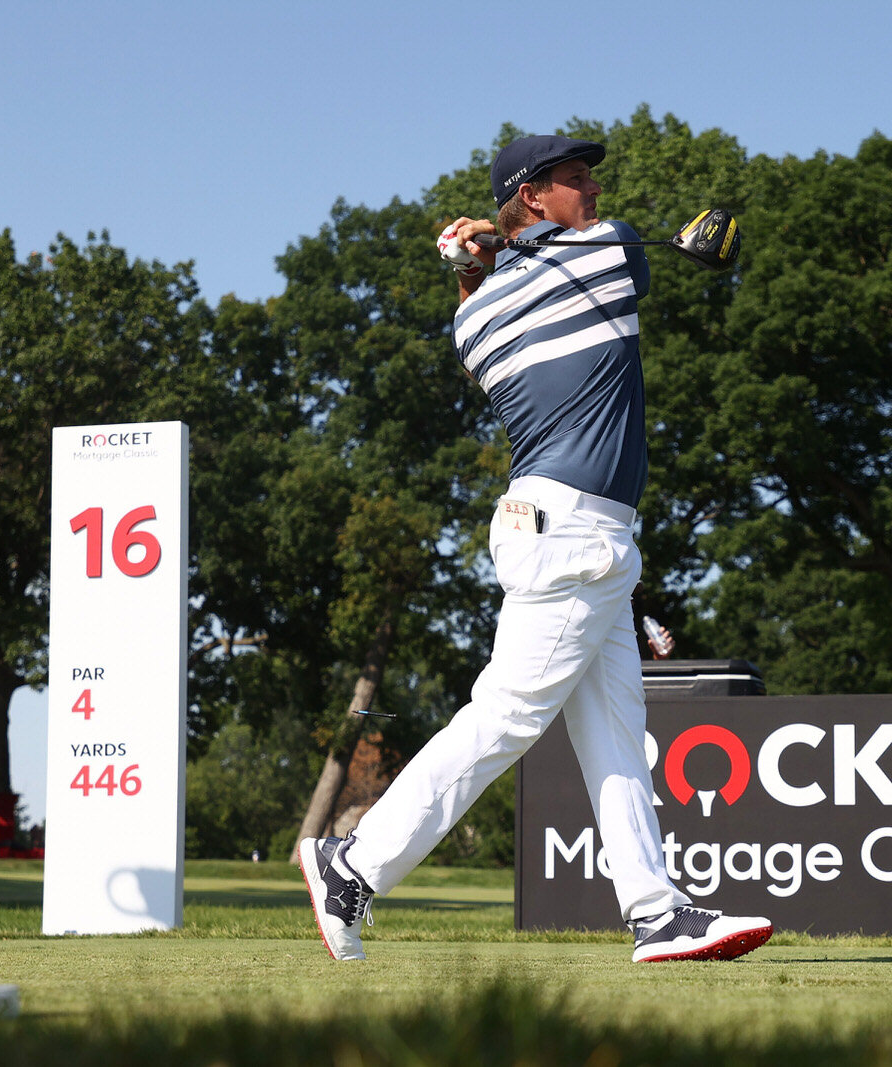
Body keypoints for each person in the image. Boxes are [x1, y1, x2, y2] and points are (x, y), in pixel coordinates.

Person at [299, 134, 772, 963]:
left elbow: (489, 290)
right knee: (508, 716)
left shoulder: (475, 316)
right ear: (532, 196)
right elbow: (581, 248)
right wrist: (496, 247)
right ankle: (355, 865)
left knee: (617, 733)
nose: (594, 190)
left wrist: (475, 261)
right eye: (575, 179)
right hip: (572, 536)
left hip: (577, 534)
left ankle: (656, 912)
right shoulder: (610, 252)